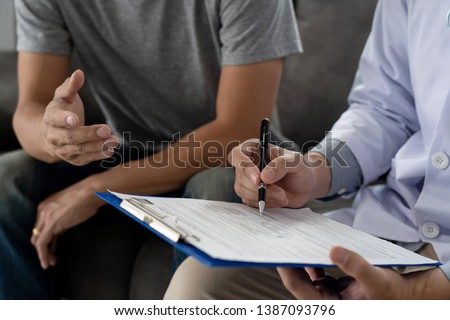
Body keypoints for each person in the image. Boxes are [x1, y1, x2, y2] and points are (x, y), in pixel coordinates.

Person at [0, 0, 301, 299]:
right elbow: (30, 108)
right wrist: (52, 134)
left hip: (227, 156)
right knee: (6, 179)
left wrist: (93, 190)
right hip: (128, 149)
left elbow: (238, 130)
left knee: (219, 189)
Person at [164, 0, 450, 299]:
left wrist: (424, 291)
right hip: (401, 223)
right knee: (203, 285)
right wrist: (316, 170)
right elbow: (384, 109)